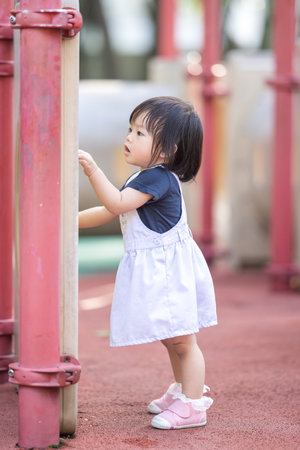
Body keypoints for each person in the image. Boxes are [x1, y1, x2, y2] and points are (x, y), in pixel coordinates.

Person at [78, 96, 217, 430]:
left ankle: (194, 405)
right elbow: (109, 211)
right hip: (163, 270)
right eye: (131, 128)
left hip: (169, 272)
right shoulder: (145, 177)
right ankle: (184, 390)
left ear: (168, 150)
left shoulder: (157, 178)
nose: (129, 137)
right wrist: (69, 220)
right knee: (171, 337)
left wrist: (93, 169)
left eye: (140, 133)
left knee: (183, 340)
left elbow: (115, 202)